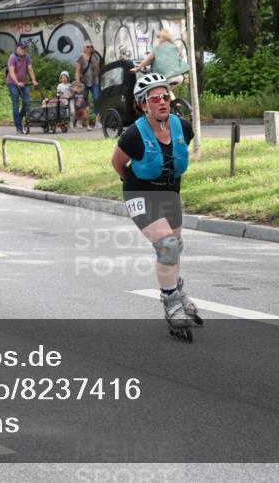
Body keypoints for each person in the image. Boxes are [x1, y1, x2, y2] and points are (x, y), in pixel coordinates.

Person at [110, 73, 202, 339]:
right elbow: (118, 164)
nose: (163, 102)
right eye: (155, 98)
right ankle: (171, 303)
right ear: (143, 104)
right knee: (167, 247)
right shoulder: (132, 136)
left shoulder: (182, 127)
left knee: (175, 247)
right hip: (140, 194)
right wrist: (133, 183)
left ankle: (176, 290)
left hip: (170, 195)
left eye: (165, 96)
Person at [6, 42, 38, 134]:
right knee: (16, 104)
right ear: (17, 48)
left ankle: (18, 120)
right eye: (22, 48)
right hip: (13, 83)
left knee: (27, 103)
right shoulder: (12, 57)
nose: (24, 50)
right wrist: (17, 82)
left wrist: (33, 80)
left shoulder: (26, 57)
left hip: (24, 83)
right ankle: (18, 127)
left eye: (25, 48)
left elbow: (30, 68)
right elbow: (11, 72)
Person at [75, 41, 102, 128]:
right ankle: (79, 121)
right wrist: (77, 81)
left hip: (95, 81)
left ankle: (98, 121)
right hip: (84, 82)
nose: (89, 48)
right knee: (82, 101)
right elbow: (78, 71)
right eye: (88, 47)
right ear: (84, 48)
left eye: (91, 46)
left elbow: (98, 70)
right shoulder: (81, 57)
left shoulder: (95, 56)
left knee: (97, 99)